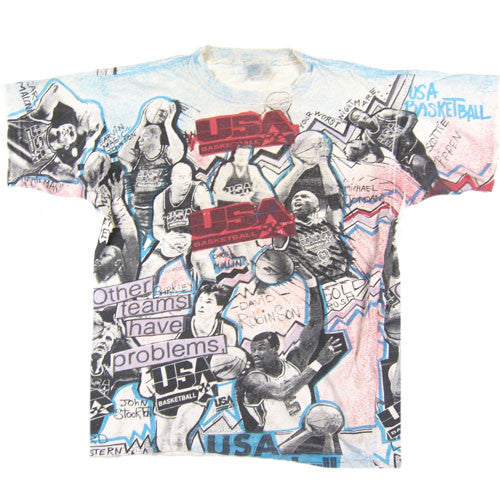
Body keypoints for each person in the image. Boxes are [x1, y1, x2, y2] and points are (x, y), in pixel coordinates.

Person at [138, 282, 237, 452]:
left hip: (199, 386)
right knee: (163, 443)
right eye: (200, 300)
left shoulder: (226, 331)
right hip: (170, 383)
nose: (201, 305)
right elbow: (150, 352)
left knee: (178, 436)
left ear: (219, 307)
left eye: (208, 302)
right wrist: (145, 376)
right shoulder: (179, 325)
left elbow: (229, 366)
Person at [238, 331, 343, 433]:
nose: (255, 354)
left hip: (308, 430)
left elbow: (313, 328)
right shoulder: (253, 379)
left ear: (275, 348)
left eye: (261, 349)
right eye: (253, 350)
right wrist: (319, 362)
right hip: (279, 438)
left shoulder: (294, 364)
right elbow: (281, 393)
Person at [8, 81, 104, 183]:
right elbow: (56, 89)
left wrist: (89, 144)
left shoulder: (50, 162)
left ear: (67, 146)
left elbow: (72, 175)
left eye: (71, 134)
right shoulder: (41, 119)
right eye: (69, 127)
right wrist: (81, 108)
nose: (68, 130)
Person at [118, 99, 185, 237]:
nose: (140, 140)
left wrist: (168, 124)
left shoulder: (165, 153)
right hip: (138, 215)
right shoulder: (138, 156)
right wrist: (141, 123)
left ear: (156, 138)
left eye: (144, 136)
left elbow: (179, 152)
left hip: (160, 215)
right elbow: (122, 155)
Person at [139, 162, 216, 283]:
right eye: (182, 177)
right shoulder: (160, 199)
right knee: (147, 267)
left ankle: (210, 289)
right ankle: (142, 293)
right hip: (174, 240)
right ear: (172, 179)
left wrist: (193, 238)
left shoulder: (198, 191)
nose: (186, 181)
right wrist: (166, 237)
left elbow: (210, 223)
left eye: (189, 176)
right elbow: (157, 227)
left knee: (199, 258)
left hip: (199, 237)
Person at [344, 107, 442, 193]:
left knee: (429, 173)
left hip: (414, 146)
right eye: (357, 117)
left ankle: (439, 190)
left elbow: (412, 116)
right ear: (357, 124)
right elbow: (379, 157)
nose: (362, 116)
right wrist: (364, 157)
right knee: (428, 182)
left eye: (361, 113)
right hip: (404, 158)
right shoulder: (367, 137)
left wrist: (403, 133)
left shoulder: (383, 115)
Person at [273, 189, 352, 284]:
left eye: (304, 196)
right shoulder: (286, 228)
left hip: (343, 277)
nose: (297, 198)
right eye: (295, 197)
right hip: (315, 285)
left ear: (316, 207)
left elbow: (334, 199)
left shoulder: (327, 223)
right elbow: (275, 203)